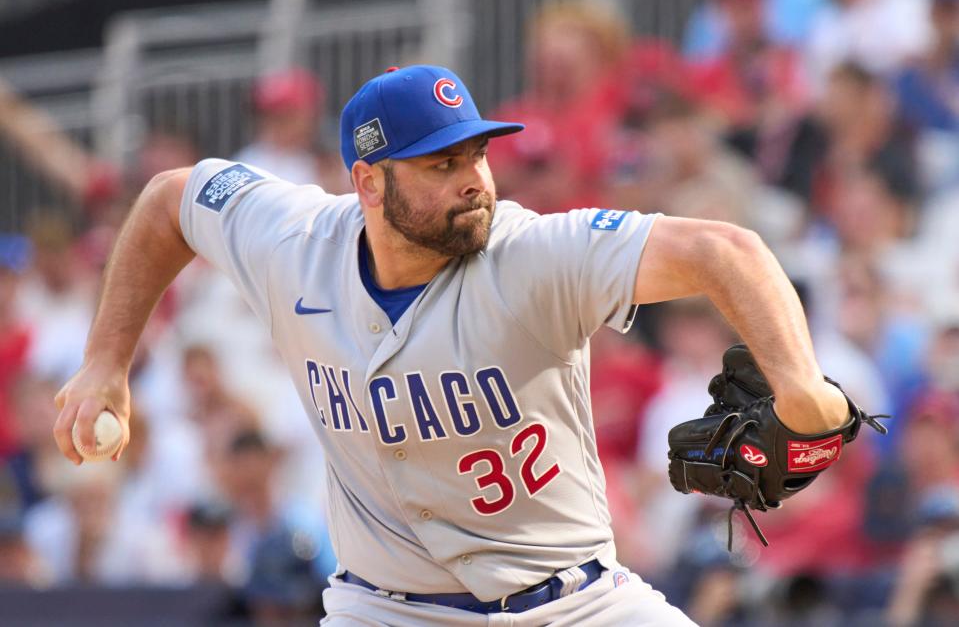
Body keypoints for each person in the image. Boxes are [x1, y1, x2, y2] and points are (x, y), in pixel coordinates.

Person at [53, 64, 853, 625]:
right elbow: (170, 199)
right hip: (384, 611)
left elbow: (727, 251)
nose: (474, 179)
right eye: (441, 163)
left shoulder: (534, 254)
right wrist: (105, 359)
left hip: (572, 604)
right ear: (368, 182)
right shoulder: (291, 239)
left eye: (476, 154)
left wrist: (802, 390)